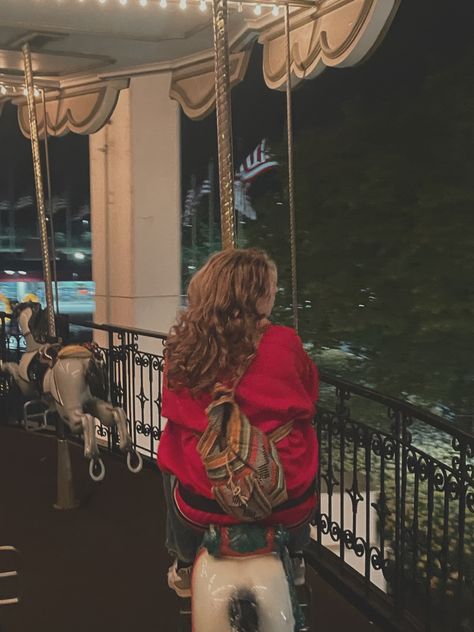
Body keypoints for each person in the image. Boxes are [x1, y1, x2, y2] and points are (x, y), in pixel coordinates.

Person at [157, 248, 319, 597]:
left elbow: (171, 407)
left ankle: (184, 559)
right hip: (285, 502)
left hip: (204, 500)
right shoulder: (284, 342)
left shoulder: (182, 348)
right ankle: (297, 552)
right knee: (305, 437)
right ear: (257, 296)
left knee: (172, 454)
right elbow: (309, 397)